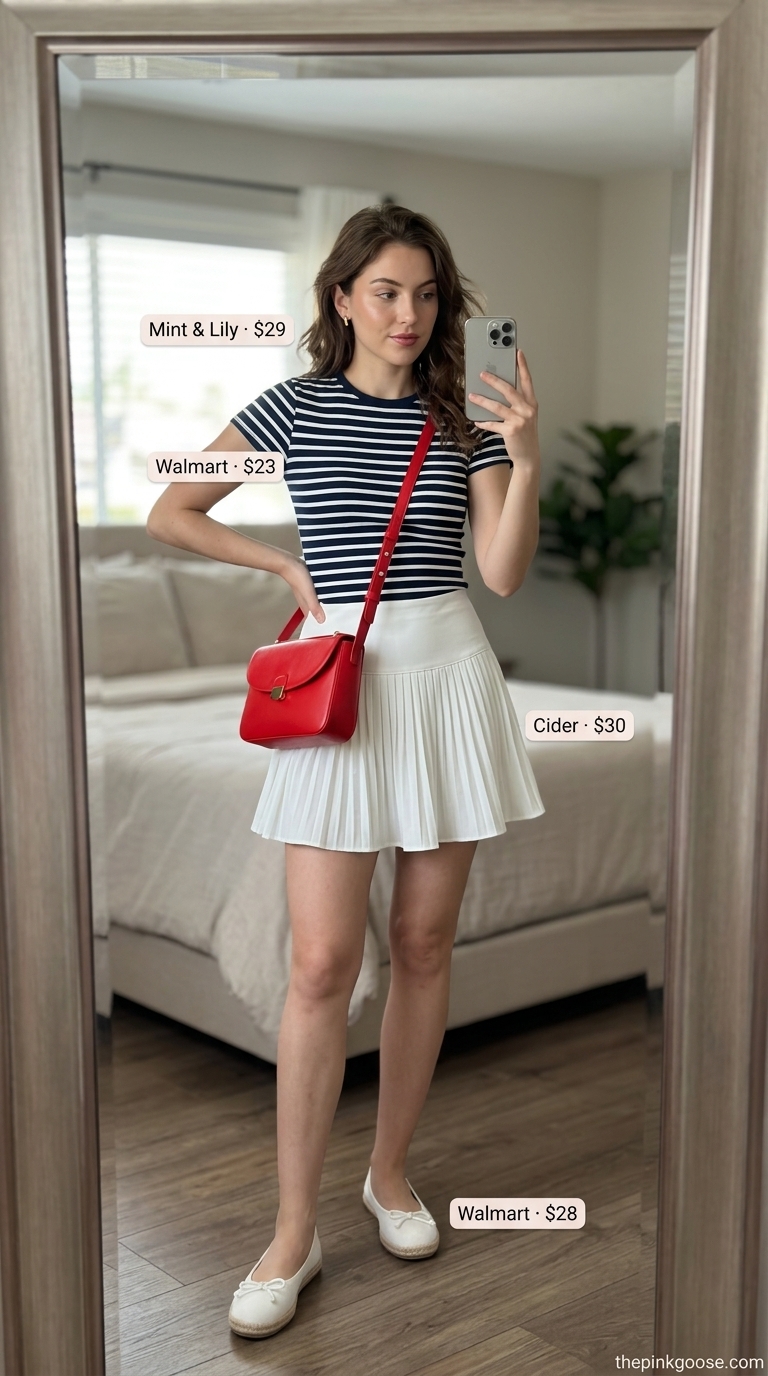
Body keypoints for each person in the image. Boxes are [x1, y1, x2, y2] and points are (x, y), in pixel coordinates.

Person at [146, 203, 545, 1340]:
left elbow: (504, 576)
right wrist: (277, 553)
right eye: (386, 291)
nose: (408, 314)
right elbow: (171, 509)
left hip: (450, 679)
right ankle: (290, 1231)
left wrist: (523, 459)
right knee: (321, 962)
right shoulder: (292, 407)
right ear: (342, 299)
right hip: (344, 683)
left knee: (423, 944)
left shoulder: (462, 420)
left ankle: (390, 1176)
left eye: (426, 294)